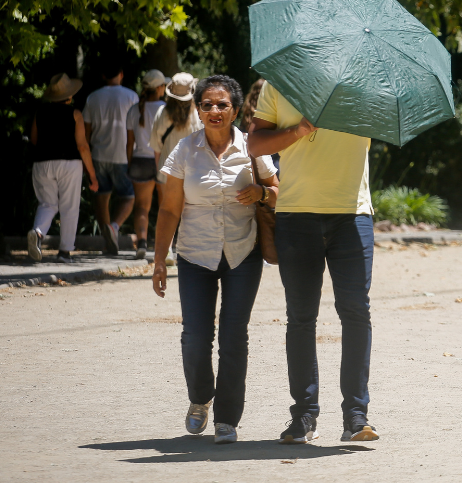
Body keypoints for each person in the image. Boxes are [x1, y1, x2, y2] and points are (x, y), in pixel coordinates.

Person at [248, 82, 380, 444]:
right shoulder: (280, 83)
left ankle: (356, 415)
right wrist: (299, 130)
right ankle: (305, 415)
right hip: (296, 215)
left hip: (352, 215)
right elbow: (256, 145)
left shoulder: (366, 85)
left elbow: (382, 127)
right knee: (301, 317)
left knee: (355, 310)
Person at [151, 75, 279, 445]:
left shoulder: (252, 149)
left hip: (243, 253)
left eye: (222, 104)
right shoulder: (185, 151)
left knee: (233, 337)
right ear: (198, 109)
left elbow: (278, 193)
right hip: (194, 255)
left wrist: (260, 192)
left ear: (236, 110)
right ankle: (199, 397)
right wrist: (160, 260)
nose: (214, 111)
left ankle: (227, 418)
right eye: (206, 104)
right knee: (195, 338)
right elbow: (169, 209)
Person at [27, 73, 99, 264]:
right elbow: (83, 146)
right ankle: (64, 252)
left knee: (47, 203)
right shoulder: (75, 114)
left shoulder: (39, 113)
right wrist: (92, 175)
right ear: (69, 95)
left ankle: (38, 232)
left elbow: (34, 140)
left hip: (42, 163)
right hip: (69, 164)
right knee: (69, 207)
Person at [83, 67, 139, 254]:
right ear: (121, 74)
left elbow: (86, 131)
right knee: (129, 197)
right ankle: (114, 227)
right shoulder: (131, 96)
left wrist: (87, 157)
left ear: (103, 75)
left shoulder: (93, 98)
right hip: (123, 155)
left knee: (101, 198)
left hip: (98, 154)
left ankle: (108, 243)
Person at [126, 70, 168, 260]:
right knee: (165, 206)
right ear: (159, 87)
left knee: (141, 206)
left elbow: (129, 143)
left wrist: (129, 164)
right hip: (162, 160)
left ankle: (142, 243)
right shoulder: (166, 109)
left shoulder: (134, 110)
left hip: (139, 160)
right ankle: (164, 245)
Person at [150, 72, 202, 224]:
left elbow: (156, 146)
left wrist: (159, 171)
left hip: (167, 170)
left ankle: (168, 246)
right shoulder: (198, 116)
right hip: (192, 171)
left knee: (167, 210)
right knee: (188, 212)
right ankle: (185, 244)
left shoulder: (162, 113)